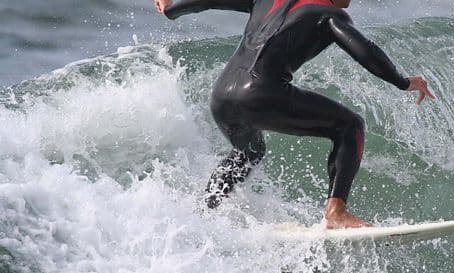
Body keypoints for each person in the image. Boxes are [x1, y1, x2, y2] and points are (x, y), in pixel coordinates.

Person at [154, 0, 435, 228]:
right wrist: (403, 82)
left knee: (249, 153)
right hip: (261, 93)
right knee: (350, 126)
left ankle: (204, 212)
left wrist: (172, 9)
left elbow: (210, 0)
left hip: (222, 97)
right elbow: (365, 50)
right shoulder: (329, 14)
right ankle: (336, 211)